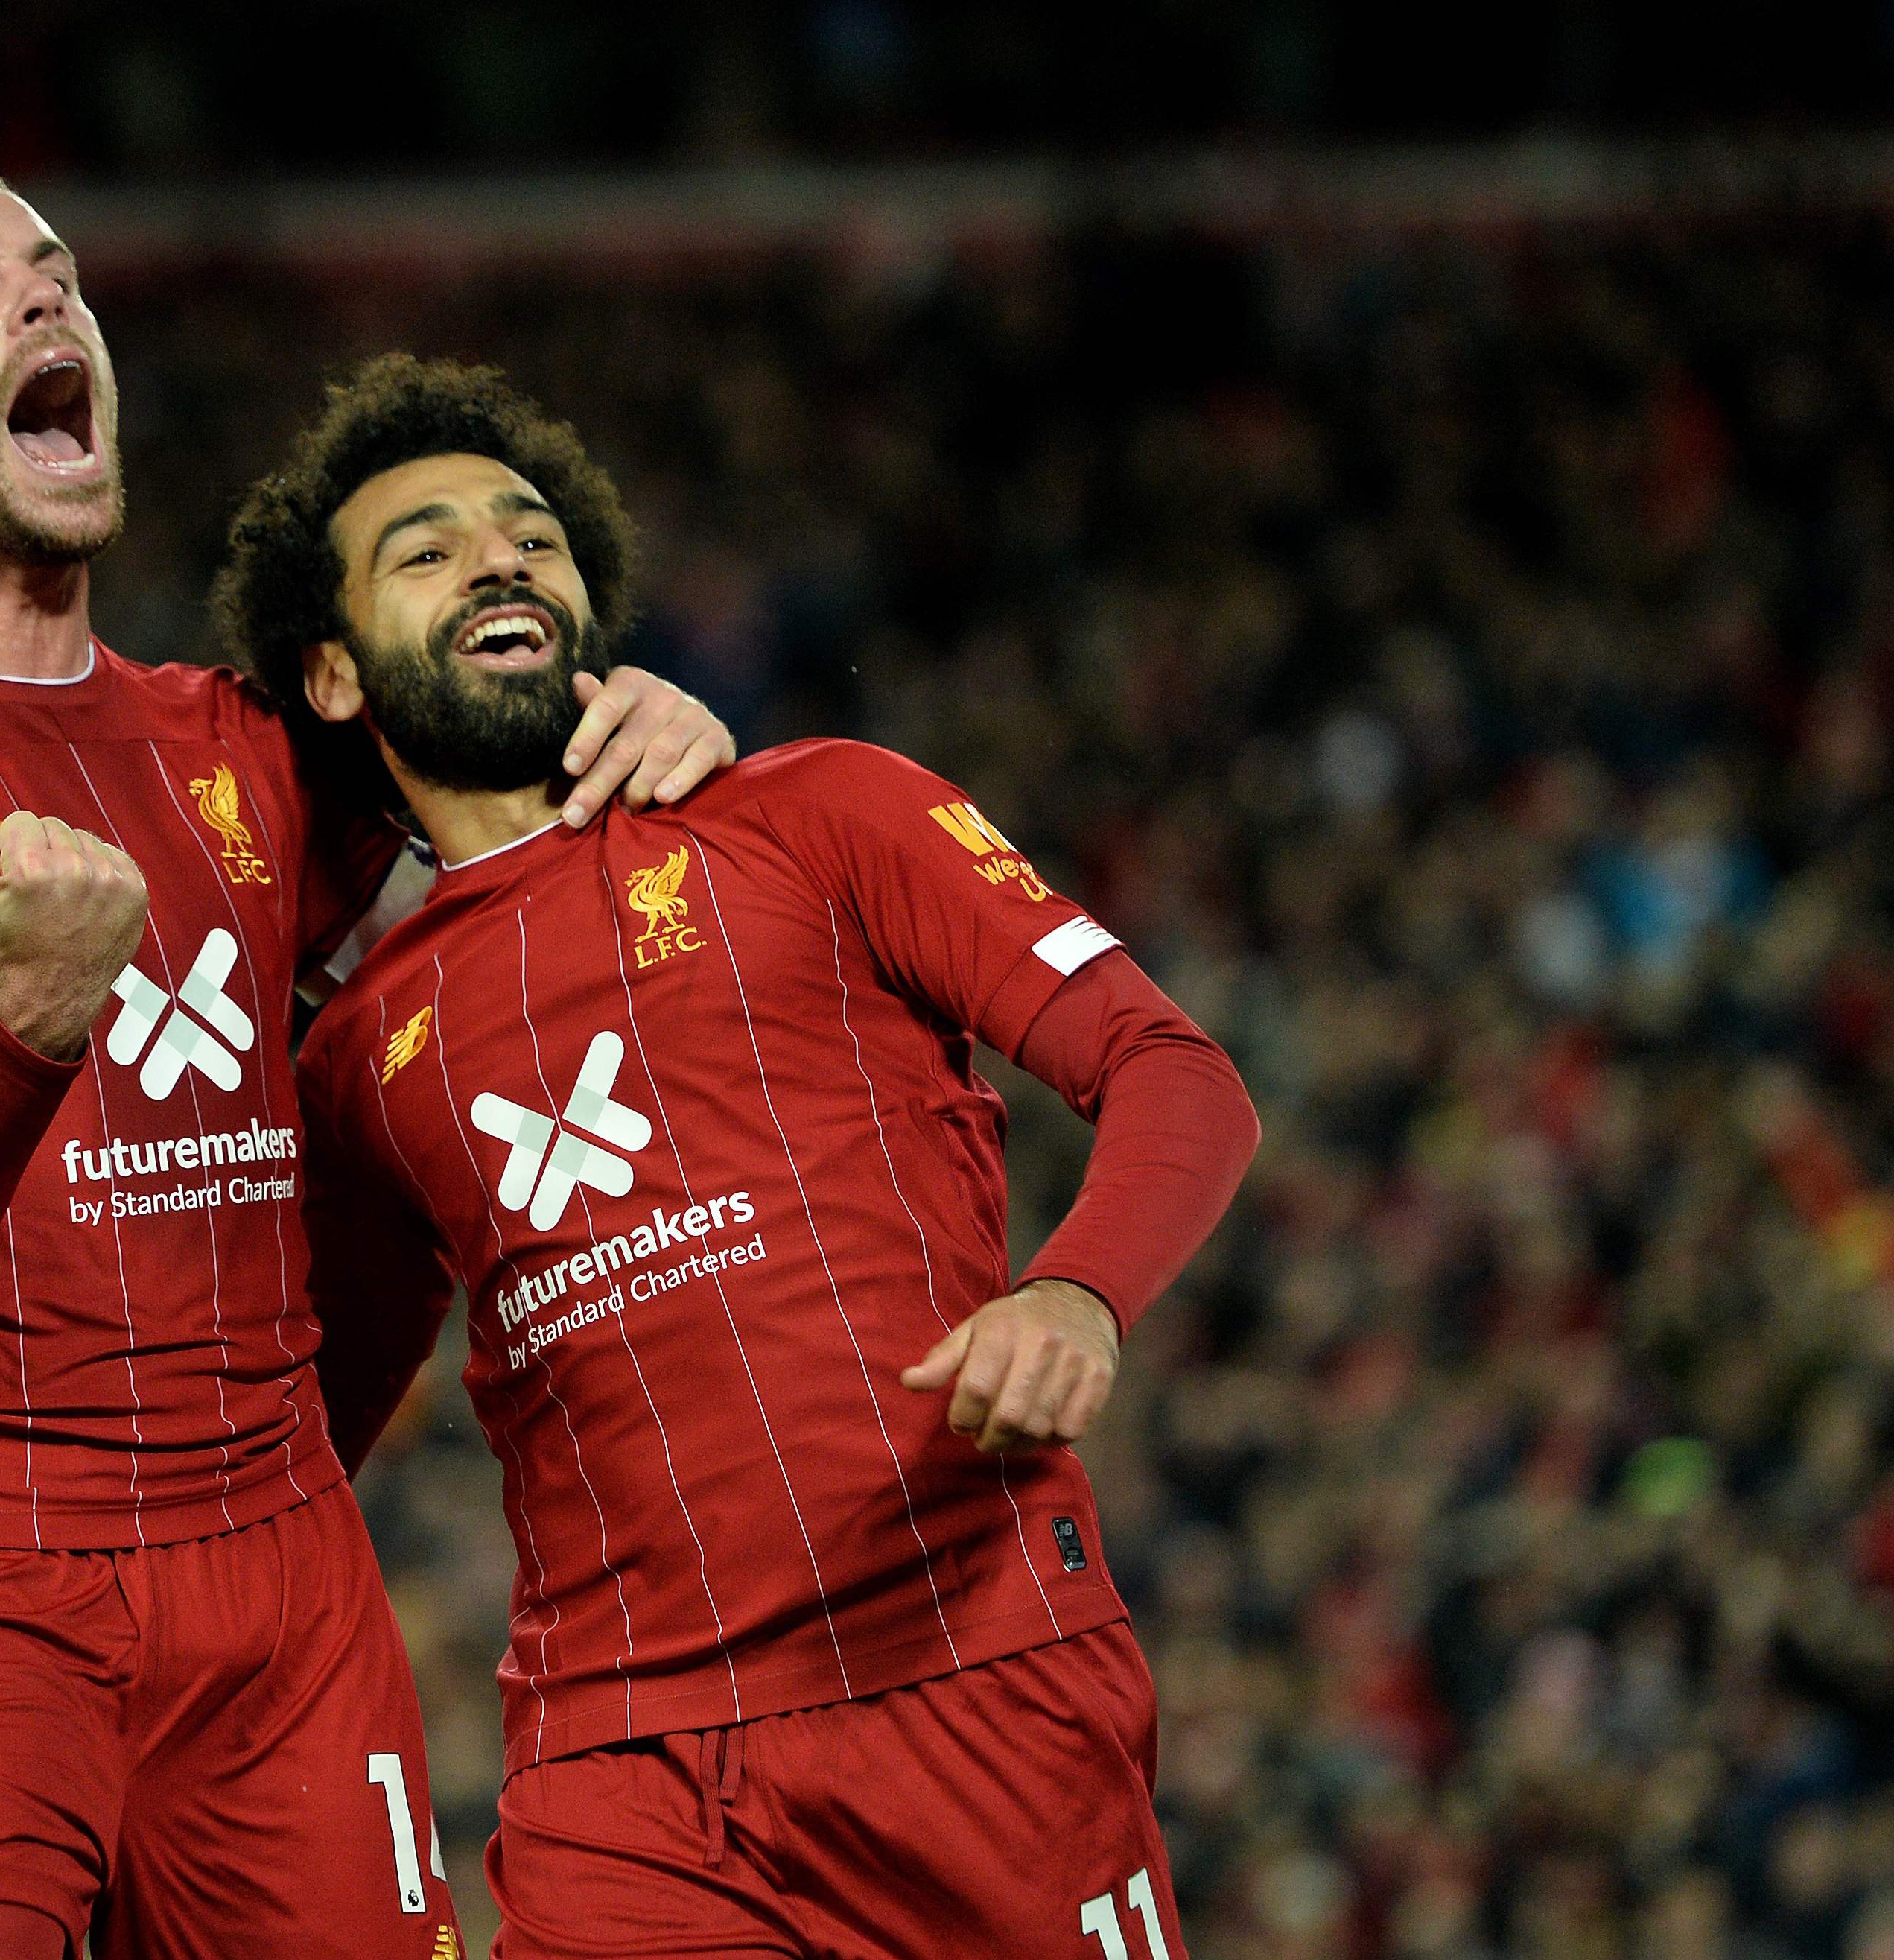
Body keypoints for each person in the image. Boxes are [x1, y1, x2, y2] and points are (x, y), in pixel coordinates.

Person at [0, 156, 734, 1960]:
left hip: (278, 1573)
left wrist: (660, 717)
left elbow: (514, 746)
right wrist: (24, 1034)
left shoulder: (236, 744)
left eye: (55, 269)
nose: (41, 299)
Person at [220, 355, 1260, 1959]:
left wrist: (1077, 1297)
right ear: (338, 675)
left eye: (530, 534)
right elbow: (306, 1439)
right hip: (619, 1764)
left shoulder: (824, 812)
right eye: (423, 550)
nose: (500, 556)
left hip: (969, 1682)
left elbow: (1175, 1073)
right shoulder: (356, 1055)